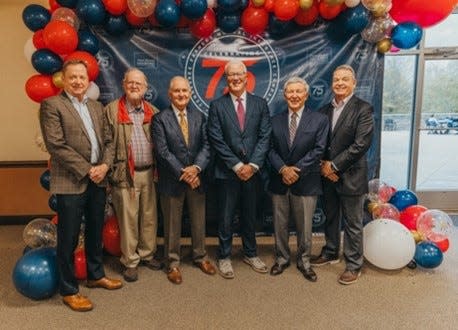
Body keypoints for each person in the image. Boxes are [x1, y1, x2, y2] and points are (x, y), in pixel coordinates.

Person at [39, 60, 122, 312]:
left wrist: (105, 167)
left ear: (89, 81)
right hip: (71, 182)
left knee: (95, 230)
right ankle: (69, 289)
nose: (77, 81)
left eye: (82, 78)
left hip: (99, 180)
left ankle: (95, 275)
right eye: (72, 77)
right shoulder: (52, 105)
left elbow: (109, 140)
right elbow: (56, 144)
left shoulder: (97, 107)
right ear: (63, 79)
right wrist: (89, 170)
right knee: (69, 237)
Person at [207, 60, 272, 279]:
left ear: (246, 77)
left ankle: (250, 253)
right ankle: (224, 256)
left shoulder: (260, 104)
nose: (235, 79)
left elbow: (265, 136)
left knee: (249, 215)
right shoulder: (217, 106)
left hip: (253, 172)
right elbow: (216, 139)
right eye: (230, 75)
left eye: (239, 75)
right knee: (225, 217)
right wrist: (236, 165)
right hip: (227, 172)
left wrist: (252, 165)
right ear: (226, 79)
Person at [311, 65, 374, 285]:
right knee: (330, 217)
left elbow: (361, 144)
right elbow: (317, 144)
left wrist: (334, 166)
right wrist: (324, 167)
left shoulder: (363, 109)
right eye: (336, 79)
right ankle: (330, 252)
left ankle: (354, 264)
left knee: (353, 223)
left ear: (354, 83)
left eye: (345, 79)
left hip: (352, 176)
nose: (340, 83)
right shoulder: (323, 111)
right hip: (327, 176)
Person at [152, 76, 216, 284]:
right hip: (172, 180)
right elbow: (162, 152)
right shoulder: (160, 119)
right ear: (170, 94)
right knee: (172, 224)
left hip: (197, 179)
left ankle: (200, 256)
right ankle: (172, 262)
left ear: (190, 94)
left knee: (199, 222)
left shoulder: (200, 117)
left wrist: (196, 169)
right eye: (177, 91)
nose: (181, 95)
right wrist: (184, 172)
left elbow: (207, 146)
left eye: (185, 91)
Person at [268, 77, 329, 282]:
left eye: (298, 92)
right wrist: (283, 169)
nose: (294, 95)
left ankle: (304, 262)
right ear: (285, 95)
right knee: (280, 224)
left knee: (305, 228)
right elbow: (269, 149)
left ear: (306, 95)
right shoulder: (274, 120)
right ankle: (282, 259)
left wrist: (297, 170)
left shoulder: (319, 120)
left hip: (306, 182)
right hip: (280, 181)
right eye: (290, 92)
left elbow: (319, 149)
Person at [105, 68, 162, 283]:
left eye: (139, 83)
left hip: (149, 173)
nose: (134, 86)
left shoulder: (153, 112)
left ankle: (147, 254)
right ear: (123, 84)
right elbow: (107, 144)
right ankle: (130, 261)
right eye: (130, 83)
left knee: (149, 217)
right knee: (127, 220)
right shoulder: (111, 111)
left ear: (146, 88)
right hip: (125, 175)